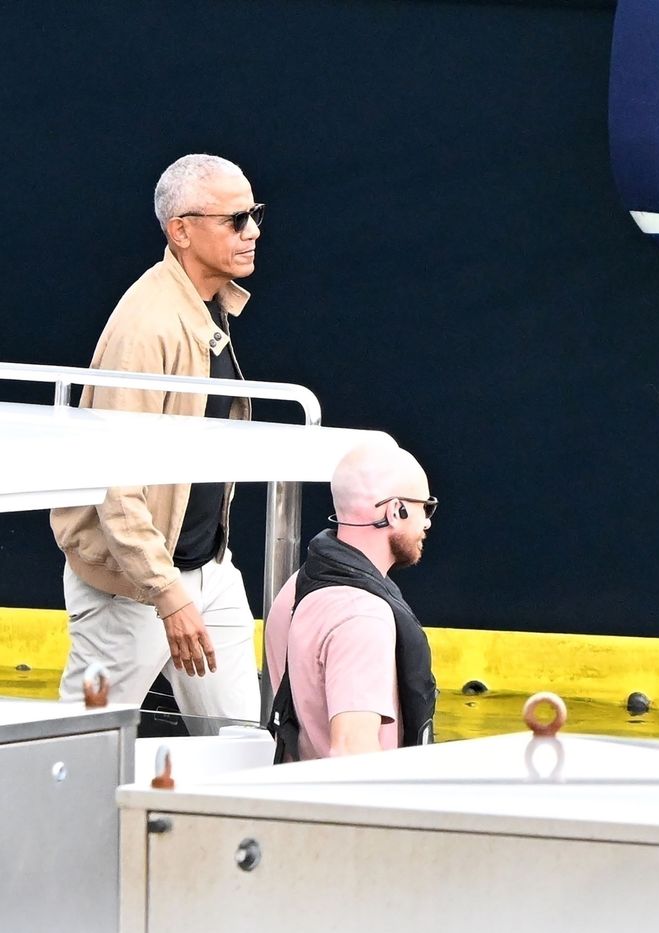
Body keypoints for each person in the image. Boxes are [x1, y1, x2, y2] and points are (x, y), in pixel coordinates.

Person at [50, 153, 264, 732]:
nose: (253, 233)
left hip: (207, 568)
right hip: (130, 586)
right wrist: (166, 593)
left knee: (240, 745)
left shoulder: (206, 307)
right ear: (182, 230)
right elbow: (115, 483)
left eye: (255, 215)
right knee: (80, 753)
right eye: (235, 220)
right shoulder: (148, 326)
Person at [265, 439, 437, 760]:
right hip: (347, 806)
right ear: (396, 510)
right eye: (423, 507)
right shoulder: (362, 619)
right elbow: (351, 752)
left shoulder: (295, 589)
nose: (427, 521)